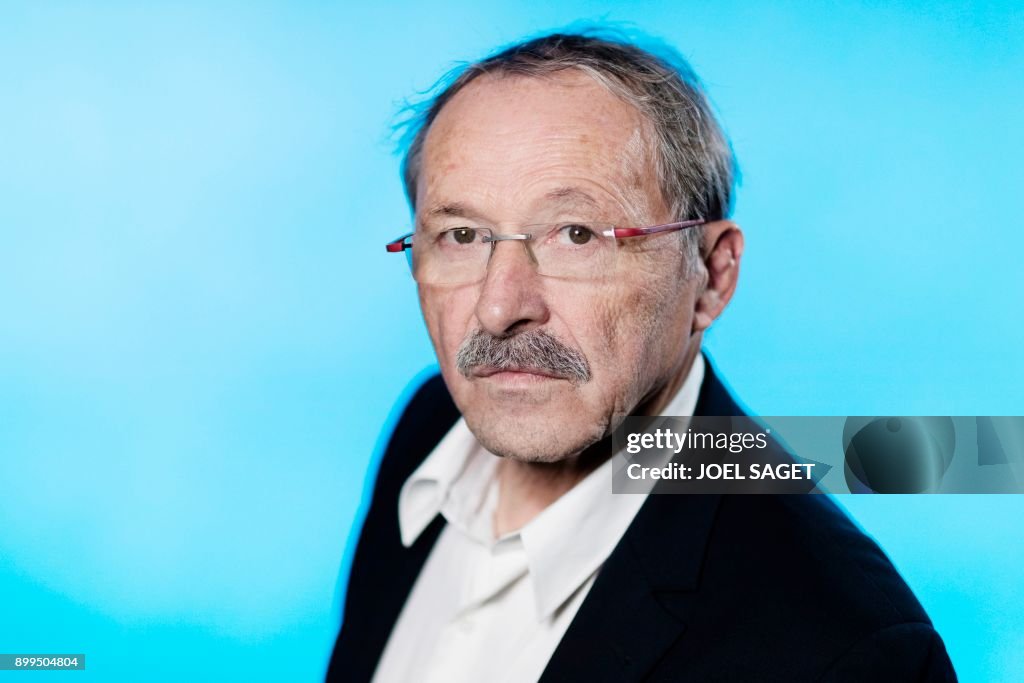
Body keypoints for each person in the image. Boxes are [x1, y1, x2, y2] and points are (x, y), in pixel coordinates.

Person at [327, 31, 956, 682]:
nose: (498, 307)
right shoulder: (431, 424)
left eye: (576, 235)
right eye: (461, 235)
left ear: (712, 276)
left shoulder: (848, 650)